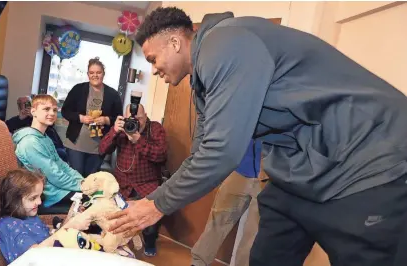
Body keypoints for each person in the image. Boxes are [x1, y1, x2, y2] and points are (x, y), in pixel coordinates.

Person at [107, 7, 407, 266]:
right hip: (300, 170)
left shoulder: (226, 43)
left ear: (174, 43)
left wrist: (155, 205)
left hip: (368, 160)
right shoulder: (204, 84)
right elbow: (202, 154)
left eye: (152, 59)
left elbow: (221, 153)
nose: (154, 69)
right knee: (266, 253)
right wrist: (156, 200)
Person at [99, 103, 167, 257]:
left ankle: (150, 240)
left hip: (147, 183)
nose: (135, 122)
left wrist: (138, 139)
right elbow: (102, 150)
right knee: (116, 217)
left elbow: (161, 155)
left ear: (146, 116)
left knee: (150, 214)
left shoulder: (155, 129)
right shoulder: (122, 128)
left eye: (139, 119)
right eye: (131, 119)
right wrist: (114, 131)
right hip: (123, 183)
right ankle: (117, 243)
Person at [0, 169, 91, 264]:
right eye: (33, 198)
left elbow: (49, 238)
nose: (39, 202)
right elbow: (35, 255)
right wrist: (70, 226)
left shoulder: (30, 216)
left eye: (40, 196)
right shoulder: (9, 224)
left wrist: (69, 220)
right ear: (14, 201)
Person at [191, 139, 262, 266]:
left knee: (253, 234)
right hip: (239, 169)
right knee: (217, 221)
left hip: (268, 175)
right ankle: (198, 263)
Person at [13, 94, 84, 208]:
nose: (52, 113)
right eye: (46, 109)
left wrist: (82, 181)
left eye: (55, 110)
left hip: (60, 189)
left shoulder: (45, 137)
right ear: (33, 111)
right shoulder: (30, 142)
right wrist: (83, 187)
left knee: (100, 192)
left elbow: (62, 165)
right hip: (50, 195)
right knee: (97, 198)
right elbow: (53, 174)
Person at [61, 57, 123, 177]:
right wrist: (81, 118)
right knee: (75, 178)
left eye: (98, 72)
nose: (95, 75)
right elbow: (65, 111)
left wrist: (106, 120)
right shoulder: (78, 89)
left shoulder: (113, 94)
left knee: (91, 180)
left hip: (99, 147)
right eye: (92, 72)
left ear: (103, 74)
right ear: (88, 74)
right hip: (75, 144)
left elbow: (119, 118)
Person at [6, 96, 68, 162]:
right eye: (24, 104)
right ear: (20, 107)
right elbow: (5, 127)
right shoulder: (17, 120)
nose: (27, 105)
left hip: (52, 145)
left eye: (29, 103)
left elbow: (51, 124)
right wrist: (20, 118)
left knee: (61, 153)